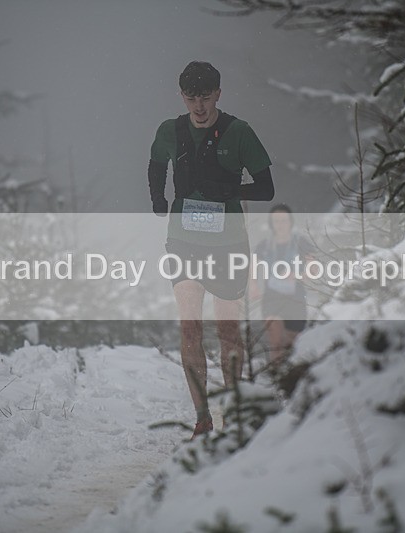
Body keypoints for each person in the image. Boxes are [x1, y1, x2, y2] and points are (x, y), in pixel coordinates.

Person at [148, 61, 274, 439]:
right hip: (183, 240)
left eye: (205, 97)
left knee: (228, 333)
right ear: (182, 97)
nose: (199, 106)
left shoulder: (239, 132)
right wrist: (158, 197)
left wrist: (231, 190)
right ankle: (202, 417)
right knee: (190, 328)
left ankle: (233, 414)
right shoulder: (170, 130)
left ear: (218, 94)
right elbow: (156, 164)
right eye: (191, 98)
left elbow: (266, 188)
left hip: (228, 244)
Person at [249, 204, 312, 370]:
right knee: (275, 338)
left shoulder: (301, 242)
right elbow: (252, 266)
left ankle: (291, 375)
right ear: (271, 223)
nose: (280, 224)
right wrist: (254, 286)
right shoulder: (265, 245)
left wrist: (297, 276)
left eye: (284, 220)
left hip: (296, 297)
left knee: (293, 342)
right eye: (276, 221)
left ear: (290, 222)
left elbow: (313, 268)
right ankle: (276, 371)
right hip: (272, 297)